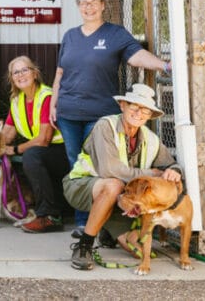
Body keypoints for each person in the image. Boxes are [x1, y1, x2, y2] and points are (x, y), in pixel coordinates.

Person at [49, 0, 170, 237]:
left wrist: (165, 66)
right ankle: (84, 222)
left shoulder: (115, 34)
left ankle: (101, 223)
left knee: (100, 166)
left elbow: (136, 56)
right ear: (78, 7)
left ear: (103, 5)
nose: (88, 7)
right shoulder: (70, 35)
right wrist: (53, 104)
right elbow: (61, 73)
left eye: (93, 2)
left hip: (100, 115)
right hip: (69, 112)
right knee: (78, 166)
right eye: (84, 3)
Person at [63, 84, 182, 270]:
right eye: (134, 106)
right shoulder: (105, 126)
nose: (139, 113)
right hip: (81, 185)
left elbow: (169, 164)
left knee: (139, 250)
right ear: (122, 106)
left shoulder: (150, 139)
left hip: (122, 197)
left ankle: (109, 232)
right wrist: (151, 174)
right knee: (113, 185)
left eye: (145, 110)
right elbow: (109, 170)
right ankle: (83, 246)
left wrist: (175, 171)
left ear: (150, 115)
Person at [0, 56, 69, 233]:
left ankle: (49, 216)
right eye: (16, 72)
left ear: (35, 73)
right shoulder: (16, 101)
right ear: (12, 78)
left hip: (63, 152)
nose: (20, 75)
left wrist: (14, 149)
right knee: (32, 155)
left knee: (31, 155)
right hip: (43, 153)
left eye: (25, 70)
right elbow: (6, 134)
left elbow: (44, 139)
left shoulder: (46, 96)